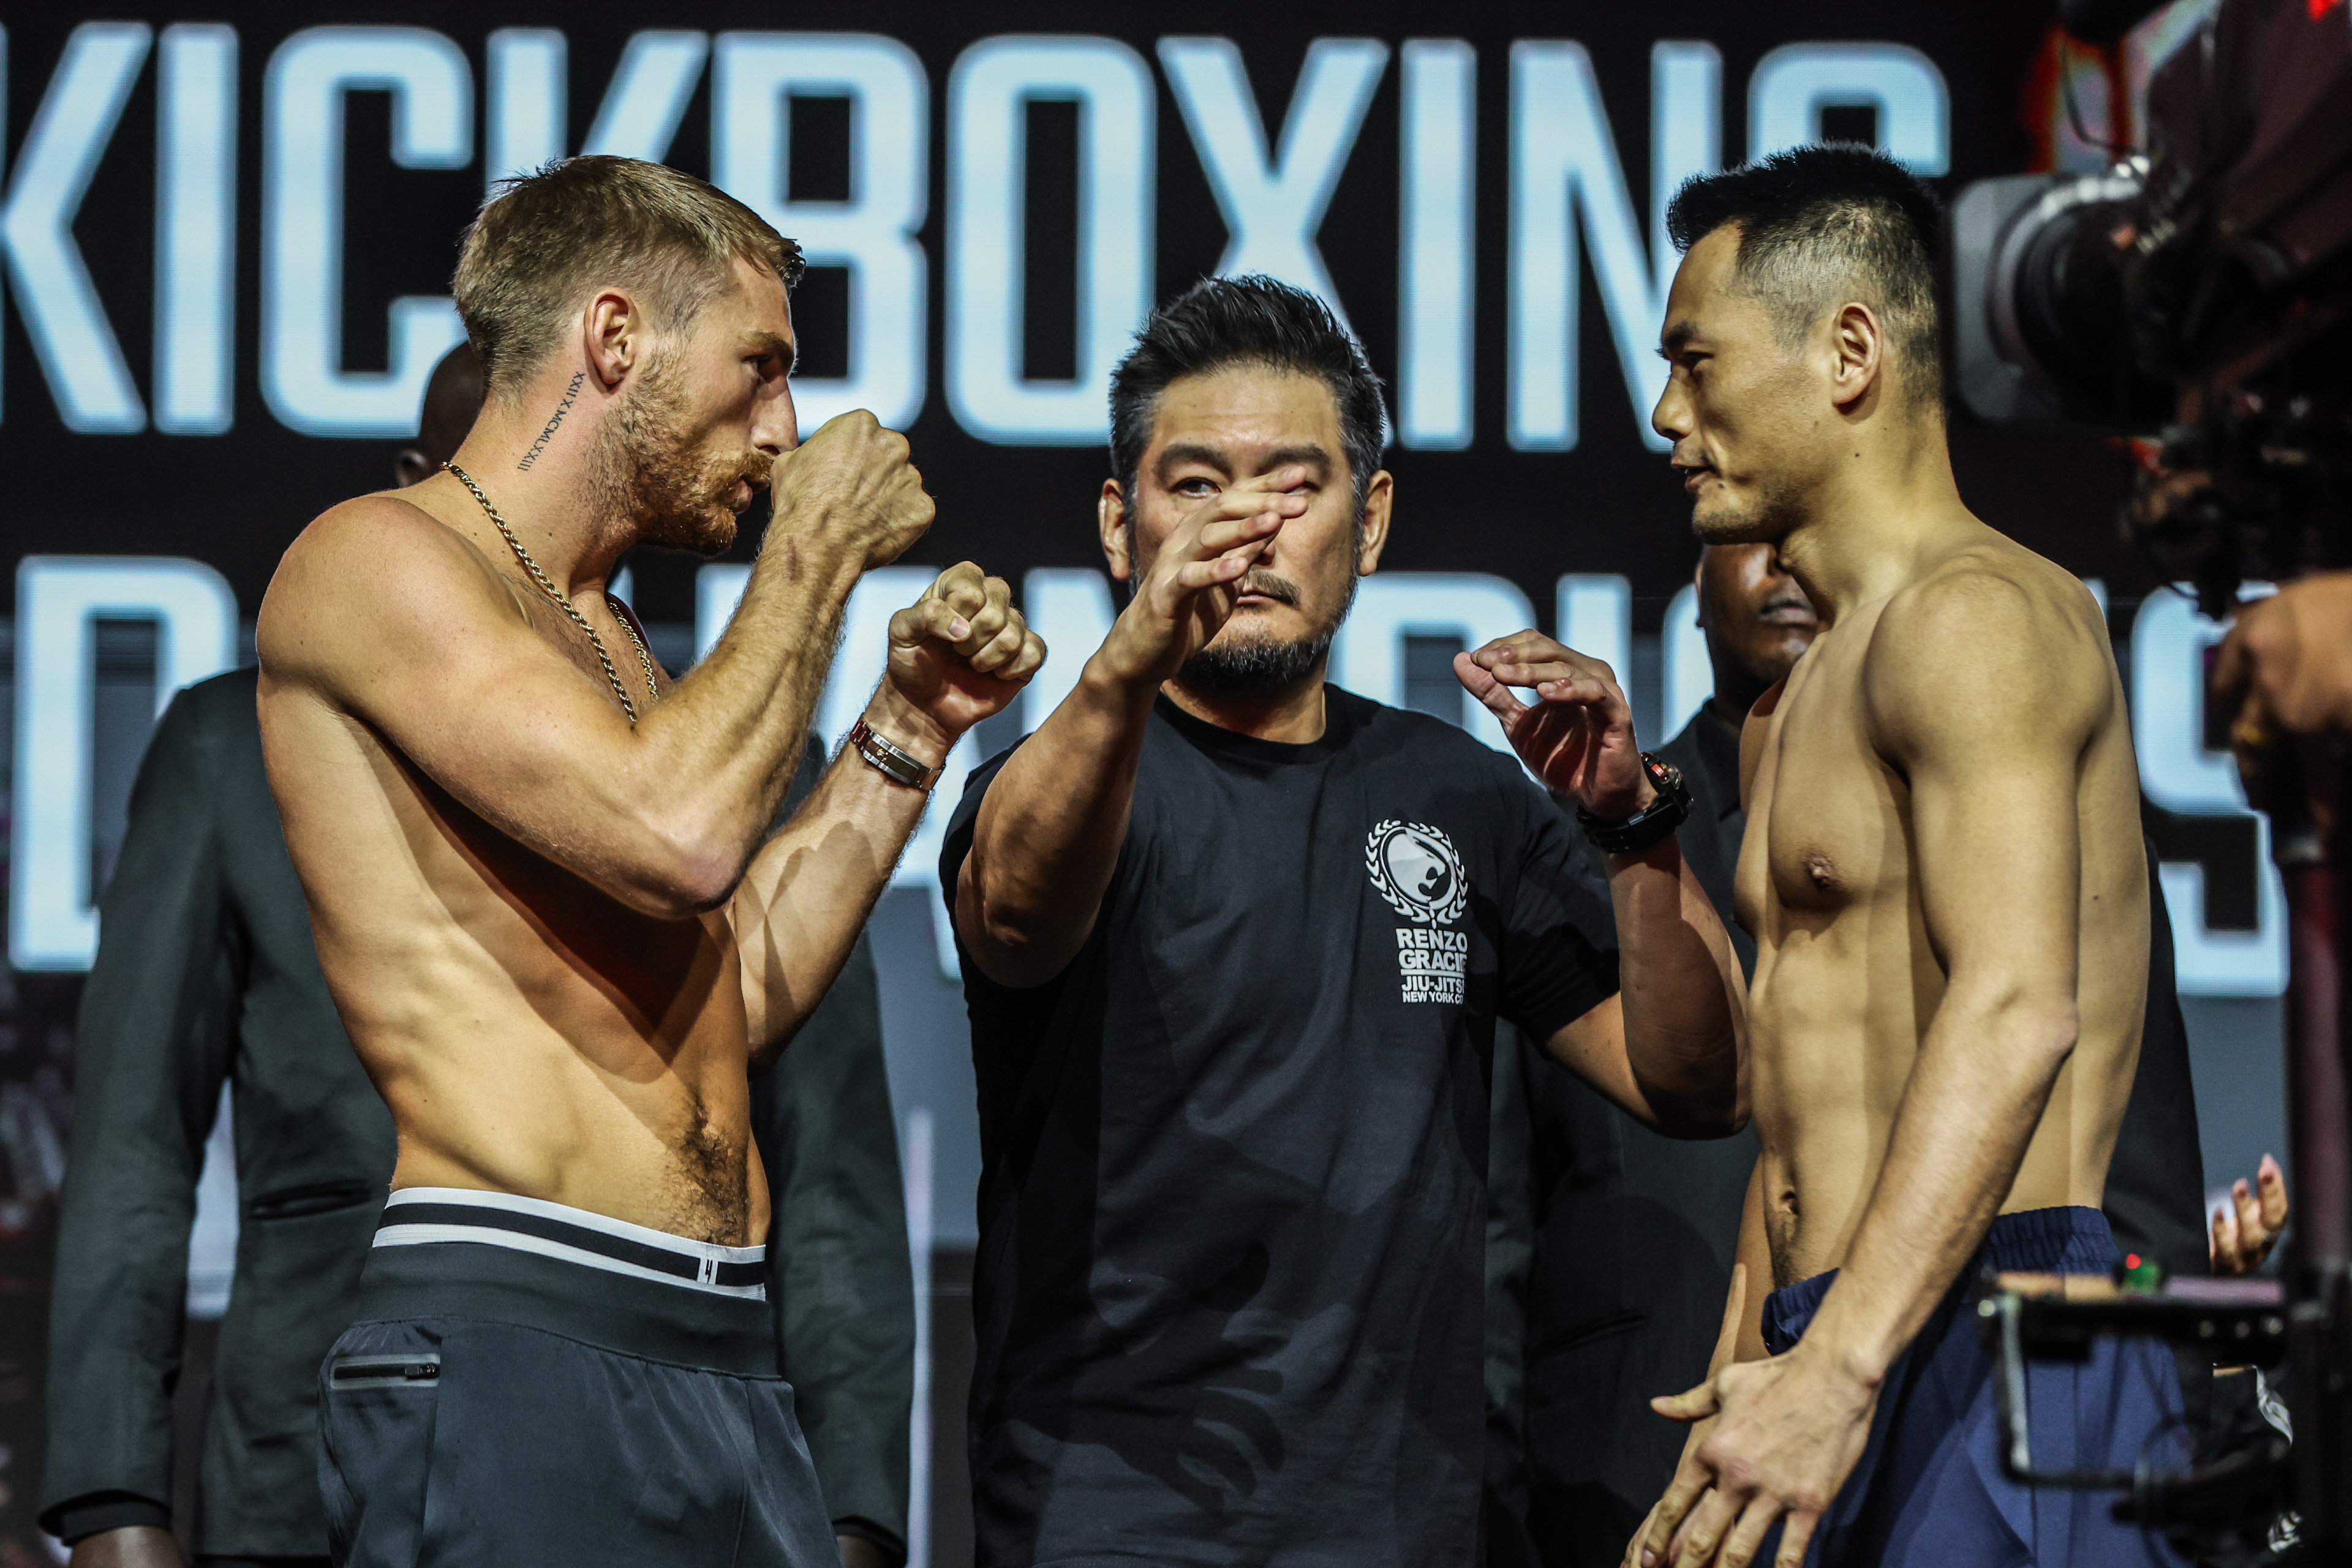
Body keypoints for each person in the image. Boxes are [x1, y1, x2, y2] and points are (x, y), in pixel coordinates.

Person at [255, 156, 1040, 1566]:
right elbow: (675, 836)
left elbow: (736, 988)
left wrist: (904, 721)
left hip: (725, 1357)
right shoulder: (373, 561)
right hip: (517, 1344)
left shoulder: (614, 645)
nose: (784, 428)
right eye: (759, 368)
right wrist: (808, 556)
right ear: (616, 338)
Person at [43, 338, 919, 1567]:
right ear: (422, 486)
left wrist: (861, 1508)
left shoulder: (744, 764)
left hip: (695, 1425)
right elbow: (137, 1136)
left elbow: (832, 1176)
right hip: (305, 1447)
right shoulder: (224, 748)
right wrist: (111, 1499)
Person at [940, 274, 1747, 1566]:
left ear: (1368, 521)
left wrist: (1632, 826)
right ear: (1117, 523)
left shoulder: (1466, 795)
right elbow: (1018, 916)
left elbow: (1694, 1083)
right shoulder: (1064, 784)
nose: (1245, 529)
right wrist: (1130, 657)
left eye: (1292, 486)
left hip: (1404, 1522)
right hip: (1108, 1522)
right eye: (1195, 485)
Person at [1574, 143, 2182, 1568]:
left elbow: (2019, 1006)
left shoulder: (1976, 618)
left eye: (1697, 362)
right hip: (1826, 1338)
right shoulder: (1802, 697)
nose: (1669, 413)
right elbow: (1794, 1115)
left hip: (2002, 1331)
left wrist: (1837, 1368)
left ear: (1850, 352)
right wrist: (1748, 1383)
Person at [1488, 542, 2250, 1566]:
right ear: (1694, 581)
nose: (1788, 570)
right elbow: (1500, 1222)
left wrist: (2178, 1452)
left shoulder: (2040, 805)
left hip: (1982, 1428)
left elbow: (2142, 1192)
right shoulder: (1572, 840)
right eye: (1752, 544)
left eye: (1809, 539)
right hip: (1641, 1463)